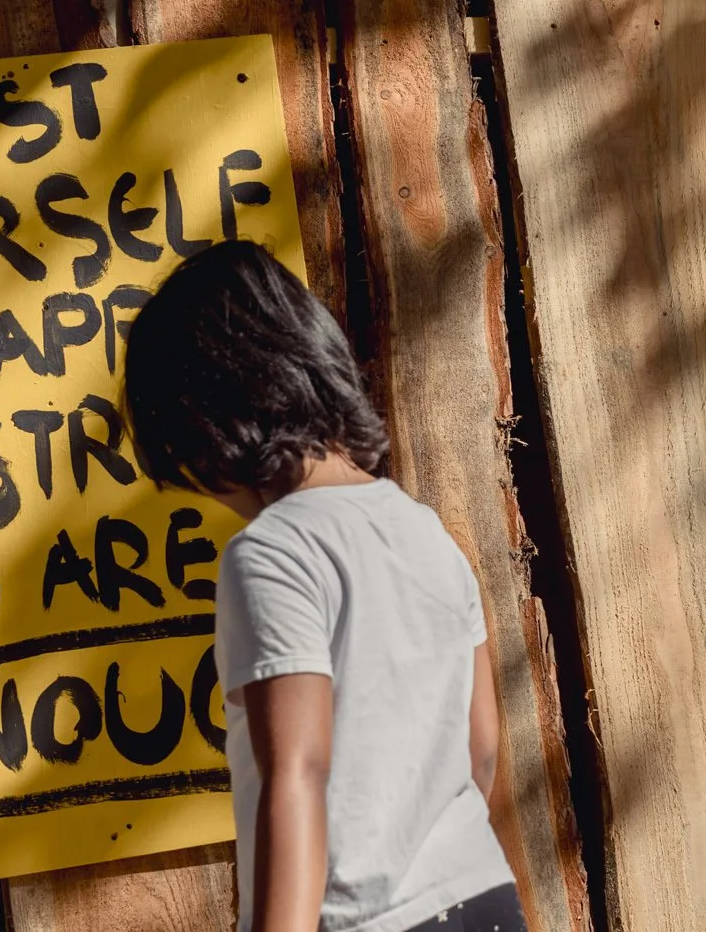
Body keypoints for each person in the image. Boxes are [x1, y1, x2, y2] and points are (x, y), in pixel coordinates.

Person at [122, 239, 525, 932]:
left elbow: (298, 773)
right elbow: (480, 745)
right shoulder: (424, 530)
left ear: (212, 418)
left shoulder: (274, 551)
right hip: (483, 897)